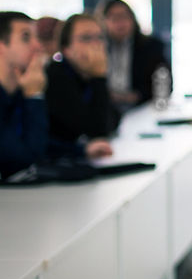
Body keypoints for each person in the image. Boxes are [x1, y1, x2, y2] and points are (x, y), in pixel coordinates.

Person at [1, 11, 112, 179]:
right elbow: (23, 160)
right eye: (26, 38)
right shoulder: (40, 83)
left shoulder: (19, 89)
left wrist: (81, 150)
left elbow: (40, 142)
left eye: (36, 37)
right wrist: (34, 97)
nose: (38, 46)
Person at [45, 13, 121, 144]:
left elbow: (114, 118)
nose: (96, 45)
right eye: (86, 38)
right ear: (66, 49)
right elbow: (97, 131)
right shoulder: (56, 76)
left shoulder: (86, 76)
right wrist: (99, 76)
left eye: (100, 37)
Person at [96, 0, 170, 108]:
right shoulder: (96, 47)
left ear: (133, 19)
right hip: (105, 108)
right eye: (114, 18)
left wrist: (135, 96)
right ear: (103, 21)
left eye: (125, 16)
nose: (121, 23)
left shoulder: (151, 46)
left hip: (141, 108)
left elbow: (164, 85)